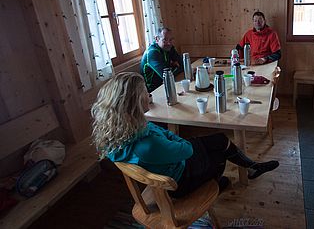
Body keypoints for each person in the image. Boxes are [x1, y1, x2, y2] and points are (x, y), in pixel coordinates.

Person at [91, 72, 279, 198]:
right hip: (179, 181)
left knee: (220, 139)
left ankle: (253, 167)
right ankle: (217, 184)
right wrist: (172, 139)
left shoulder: (123, 133)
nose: (148, 94)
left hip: (169, 166)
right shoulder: (146, 144)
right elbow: (185, 149)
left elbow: (163, 137)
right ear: (133, 103)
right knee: (219, 153)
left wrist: (168, 138)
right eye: (143, 92)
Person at [140, 27, 183, 92]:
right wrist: (175, 67)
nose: (169, 43)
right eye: (165, 40)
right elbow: (167, 76)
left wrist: (175, 68)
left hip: (165, 85)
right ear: (157, 39)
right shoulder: (152, 53)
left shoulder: (169, 47)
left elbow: (182, 64)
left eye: (171, 40)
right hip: (152, 91)